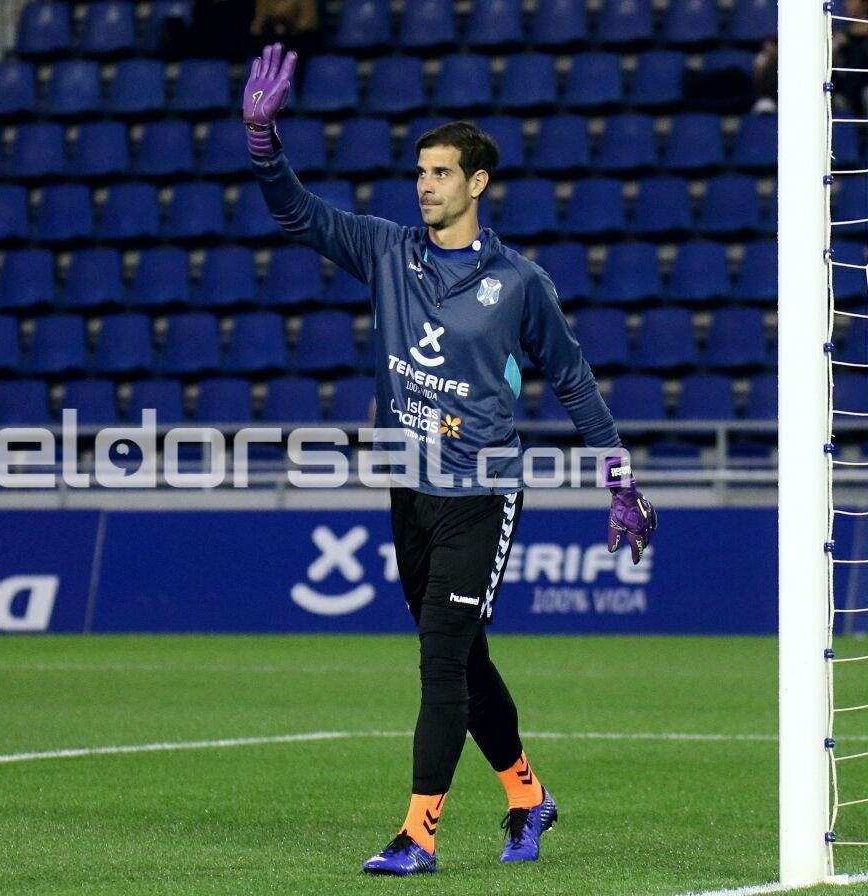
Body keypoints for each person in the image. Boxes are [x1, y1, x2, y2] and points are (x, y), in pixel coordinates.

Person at [240, 44, 658, 876]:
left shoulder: (518, 283)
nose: (424, 184)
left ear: (477, 184)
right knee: (462, 657)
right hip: (409, 488)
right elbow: (298, 214)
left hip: (482, 493)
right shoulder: (388, 252)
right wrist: (262, 142)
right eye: (419, 171)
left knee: (439, 660)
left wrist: (620, 481)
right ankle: (528, 798)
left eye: (439, 172)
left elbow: (571, 381)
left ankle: (416, 834)